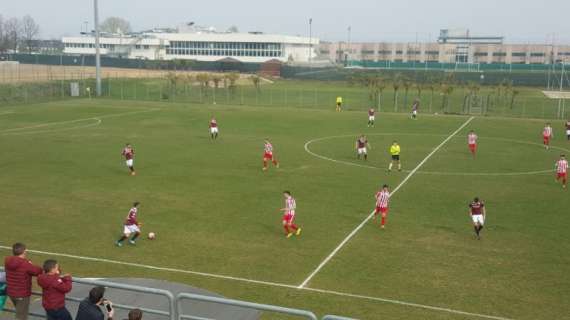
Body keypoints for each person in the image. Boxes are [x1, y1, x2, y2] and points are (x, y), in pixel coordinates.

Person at [4, 242, 43, 320]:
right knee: (21, 317)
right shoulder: (25, 264)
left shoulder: (8, 260)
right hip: (21, 294)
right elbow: (38, 271)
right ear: (24, 251)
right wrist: (30, 264)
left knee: (19, 313)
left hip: (11, 292)